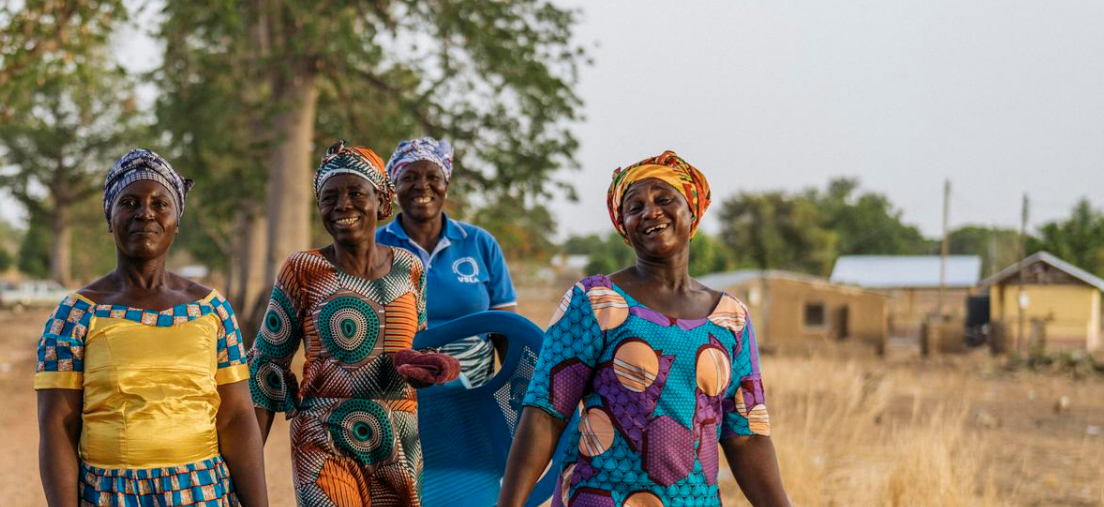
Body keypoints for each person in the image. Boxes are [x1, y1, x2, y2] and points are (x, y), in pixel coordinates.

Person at [497, 151, 791, 507]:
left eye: (664, 199)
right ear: (624, 227)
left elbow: (747, 436)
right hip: (602, 498)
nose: (650, 211)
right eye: (634, 208)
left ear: (692, 210)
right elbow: (545, 413)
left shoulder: (731, 318)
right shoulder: (595, 302)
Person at [33, 149, 273, 507]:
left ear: (177, 220)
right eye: (129, 202)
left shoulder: (211, 308)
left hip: (203, 494)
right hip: (110, 496)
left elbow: (237, 418)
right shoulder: (77, 313)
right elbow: (58, 427)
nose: (145, 212)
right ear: (109, 218)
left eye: (160, 203)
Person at [249, 141, 461, 507]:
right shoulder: (303, 269)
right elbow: (267, 366)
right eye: (329, 198)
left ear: (381, 202)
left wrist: (428, 364)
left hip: (399, 439)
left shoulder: (409, 268)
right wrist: (245, 470)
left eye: (355, 193)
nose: (342, 205)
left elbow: (417, 343)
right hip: (324, 436)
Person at [374, 137, 517, 388]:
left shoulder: (480, 243)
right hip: (396, 396)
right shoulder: (375, 245)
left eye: (433, 177)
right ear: (394, 188)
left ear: (446, 186)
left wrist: (512, 392)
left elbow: (506, 331)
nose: (422, 186)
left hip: (474, 395)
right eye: (409, 178)